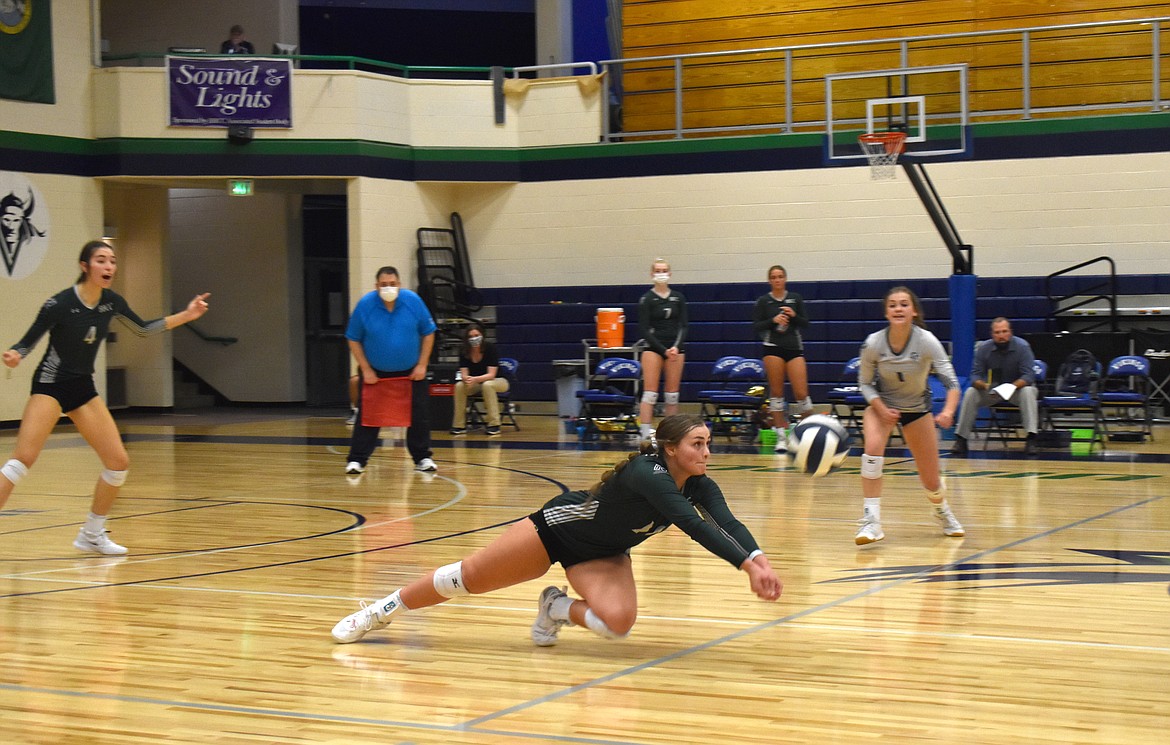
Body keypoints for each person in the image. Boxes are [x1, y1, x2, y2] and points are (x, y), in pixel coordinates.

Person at [331, 414, 783, 645]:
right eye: (697, 444)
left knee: (618, 624)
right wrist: (745, 567)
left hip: (605, 552)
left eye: (707, 443)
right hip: (556, 531)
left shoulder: (699, 483)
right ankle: (378, 612)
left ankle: (554, 607)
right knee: (464, 578)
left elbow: (727, 522)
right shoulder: (650, 474)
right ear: (669, 448)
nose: (706, 451)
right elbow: (691, 525)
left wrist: (759, 561)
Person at [1, 240, 211, 555]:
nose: (109, 266)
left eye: (112, 261)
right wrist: (16, 354)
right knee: (22, 460)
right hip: (50, 385)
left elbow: (142, 329)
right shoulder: (57, 304)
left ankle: (92, 533)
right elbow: (28, 340)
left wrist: (188, 315)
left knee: (118, 463)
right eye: (101, 260)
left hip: (82, 387)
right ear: (85, 266)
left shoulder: (111, 302)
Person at [854, 286, 963, 546]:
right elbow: (865, 384)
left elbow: (952, 382)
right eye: (892, 305)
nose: (898, 308)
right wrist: (881, 409)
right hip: (883, 407)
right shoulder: (873, 343)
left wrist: (947, 411)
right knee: (871, 453)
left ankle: (941, 511)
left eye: (904, 304)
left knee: (931, 480)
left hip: (917, 409)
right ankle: (872, 522)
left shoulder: (926, 341)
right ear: (886, 312)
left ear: (913, 311)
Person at [344, 266, 438, 475]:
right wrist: (366, 369)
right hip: (376, 374)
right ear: (377, 286)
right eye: (384, 285)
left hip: (411, 371)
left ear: (399, 284)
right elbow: (353, 338)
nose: (389, 288)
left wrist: (422, 364)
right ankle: (357, 459)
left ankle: (422, 457)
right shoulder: (366, 305)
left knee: (419, 415)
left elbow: (429, 333)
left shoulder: (413, 301)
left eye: (393, 284)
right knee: (368, 416)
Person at [951, 317, 1040, 456]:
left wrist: (1011, 386)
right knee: (970, 392)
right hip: (993, 390)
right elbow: (975, 375)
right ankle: (961, 439)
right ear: (992, 334)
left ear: (1010, 332)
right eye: (997, 332)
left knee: (1028, 392)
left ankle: (1031, 438)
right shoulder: (983, 348)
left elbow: (1028, 375)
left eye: (1004, 331)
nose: (1001, 336)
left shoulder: (1023, 347)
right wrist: (981, 384)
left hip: (1017, 390)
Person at [751, 265, 813, 453]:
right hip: (773, 348)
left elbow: (806, 323)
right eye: (774, 277)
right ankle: (780, 436)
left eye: (780, 276)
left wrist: (793, 316)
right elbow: (756, 326)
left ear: (785, 278)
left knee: (801, 393)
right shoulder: (764, 301)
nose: (777, 280)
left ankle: (808, 435)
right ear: (770, 280)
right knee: (776, 393)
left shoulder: (795, 298)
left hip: (794, 348)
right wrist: (773, 321)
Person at [637, 258, 688, 439]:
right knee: (650, 394)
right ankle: (644, 435)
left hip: (674, 349)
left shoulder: (678, 298)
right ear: (652, 274)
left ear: (670, 273)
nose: (661, 273)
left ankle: (671, 436)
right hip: (653, 348)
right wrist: (662, 349)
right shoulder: (647, 299)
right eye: (658, 271)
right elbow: (644, 329)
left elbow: (684, 326)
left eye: (664, 270)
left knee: (672, 395)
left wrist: (675, 347)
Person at [449, 323, 509, 436]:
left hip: (498, 381)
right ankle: (459, 425)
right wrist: (466, 379)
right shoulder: (464, 351)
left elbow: (491, 375)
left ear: (482, 335)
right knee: (459, 386)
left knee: (487, 384)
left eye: (476, 335)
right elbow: (464, 373)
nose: (474, 338)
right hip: (476, 382)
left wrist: (475, 379)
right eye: (471, 336)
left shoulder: (490, 348)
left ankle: (494, 424)